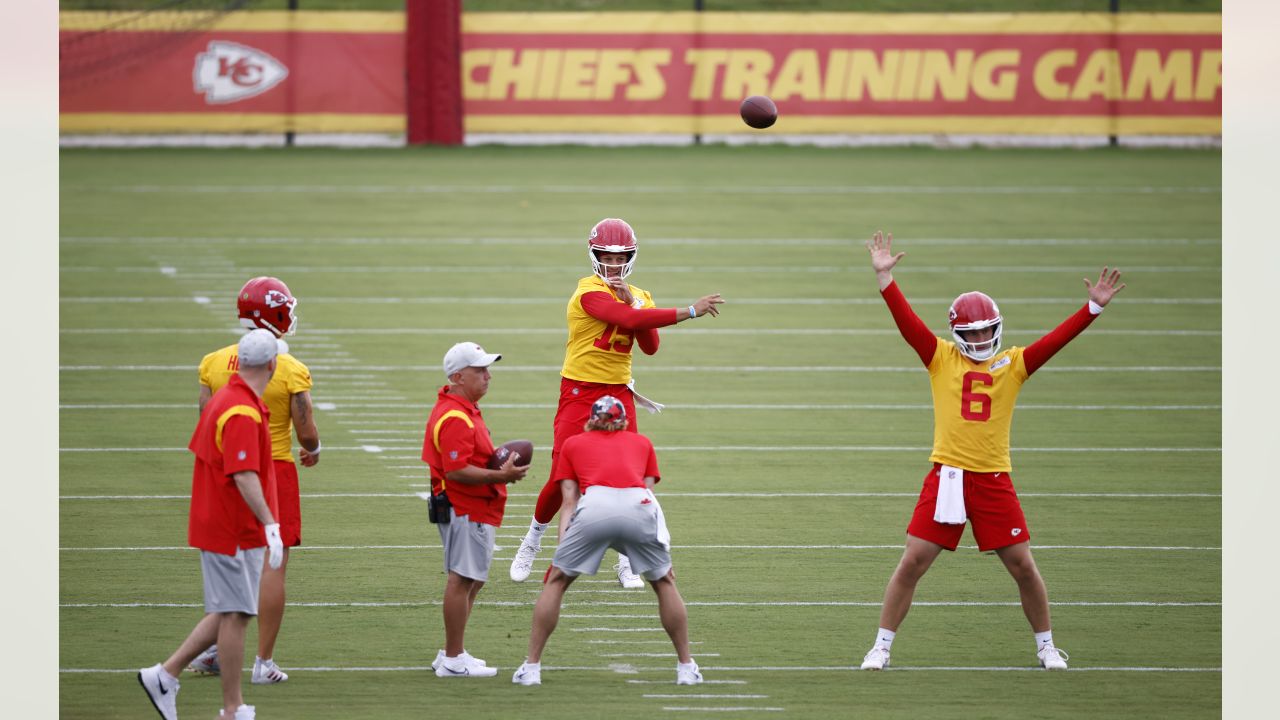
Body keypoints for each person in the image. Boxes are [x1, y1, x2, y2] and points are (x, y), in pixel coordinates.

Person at [857, 231, 1126, 672]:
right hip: (947, 476)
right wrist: (886, 280)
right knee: (912, 563)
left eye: (986, 330)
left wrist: (1092, 308)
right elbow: (908, 325)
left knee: (1023, 567)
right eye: (973, 331)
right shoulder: (940, 357)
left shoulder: (1014, 364)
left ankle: (1046, 646)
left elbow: (1055, 342)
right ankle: (881, 646)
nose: (981, 338)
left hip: (992, 478)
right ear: (957, 332)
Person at [510, 217, 724, 588]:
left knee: (629, 477)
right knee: (564, 474)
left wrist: (638, 305)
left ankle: (626, 560)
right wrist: (689, 311)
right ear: (593, 257)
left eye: (619, 257)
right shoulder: (587, 291)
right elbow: (622, 317)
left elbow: (651, 347)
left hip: (619, 392)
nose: (612, 265)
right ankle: (532, 538)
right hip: (579, 390)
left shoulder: (639, 294)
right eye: (605, 257)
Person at [138, 329, 286, 720]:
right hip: (231, 528)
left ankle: (164, 675)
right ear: (271, 364)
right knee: (237, 614)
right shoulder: (240, 409)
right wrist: (270, 523)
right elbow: (243, 474)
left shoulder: (230, 397)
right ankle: (232, 708)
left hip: (224, 523)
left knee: (227, 609)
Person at [512, 396, 701, 687]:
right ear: (624, 420)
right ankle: (686, 667)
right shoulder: (642, 443)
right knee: (664, 583)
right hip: (638, 506)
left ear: (592, 419)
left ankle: (531, 667)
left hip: (595, 506)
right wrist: (665, 551)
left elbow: (569, 503)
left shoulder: (574, 444)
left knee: (557, 583)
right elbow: (649, 498)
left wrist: (559, 557)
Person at [188, 276, 321, 685]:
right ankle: (263, 661)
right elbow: (307, 432)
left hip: (225, 475)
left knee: (233, 565)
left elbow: (206, 421)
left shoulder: (212, 362)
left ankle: (215, 649)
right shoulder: (290, 368)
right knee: (272, 568)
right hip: (274, 470)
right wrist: (315, 450)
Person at [423, 341, 529, 678]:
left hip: (472, 508)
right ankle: (453, 659)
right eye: (479, 370)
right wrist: (502, 474)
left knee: (471, 580)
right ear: (457, 376)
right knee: (462, 579)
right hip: (465, 507)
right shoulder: (455, 415)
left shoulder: (463, 408)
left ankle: (452, 652)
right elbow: (455, 470)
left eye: (487, 369)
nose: (488, 376)